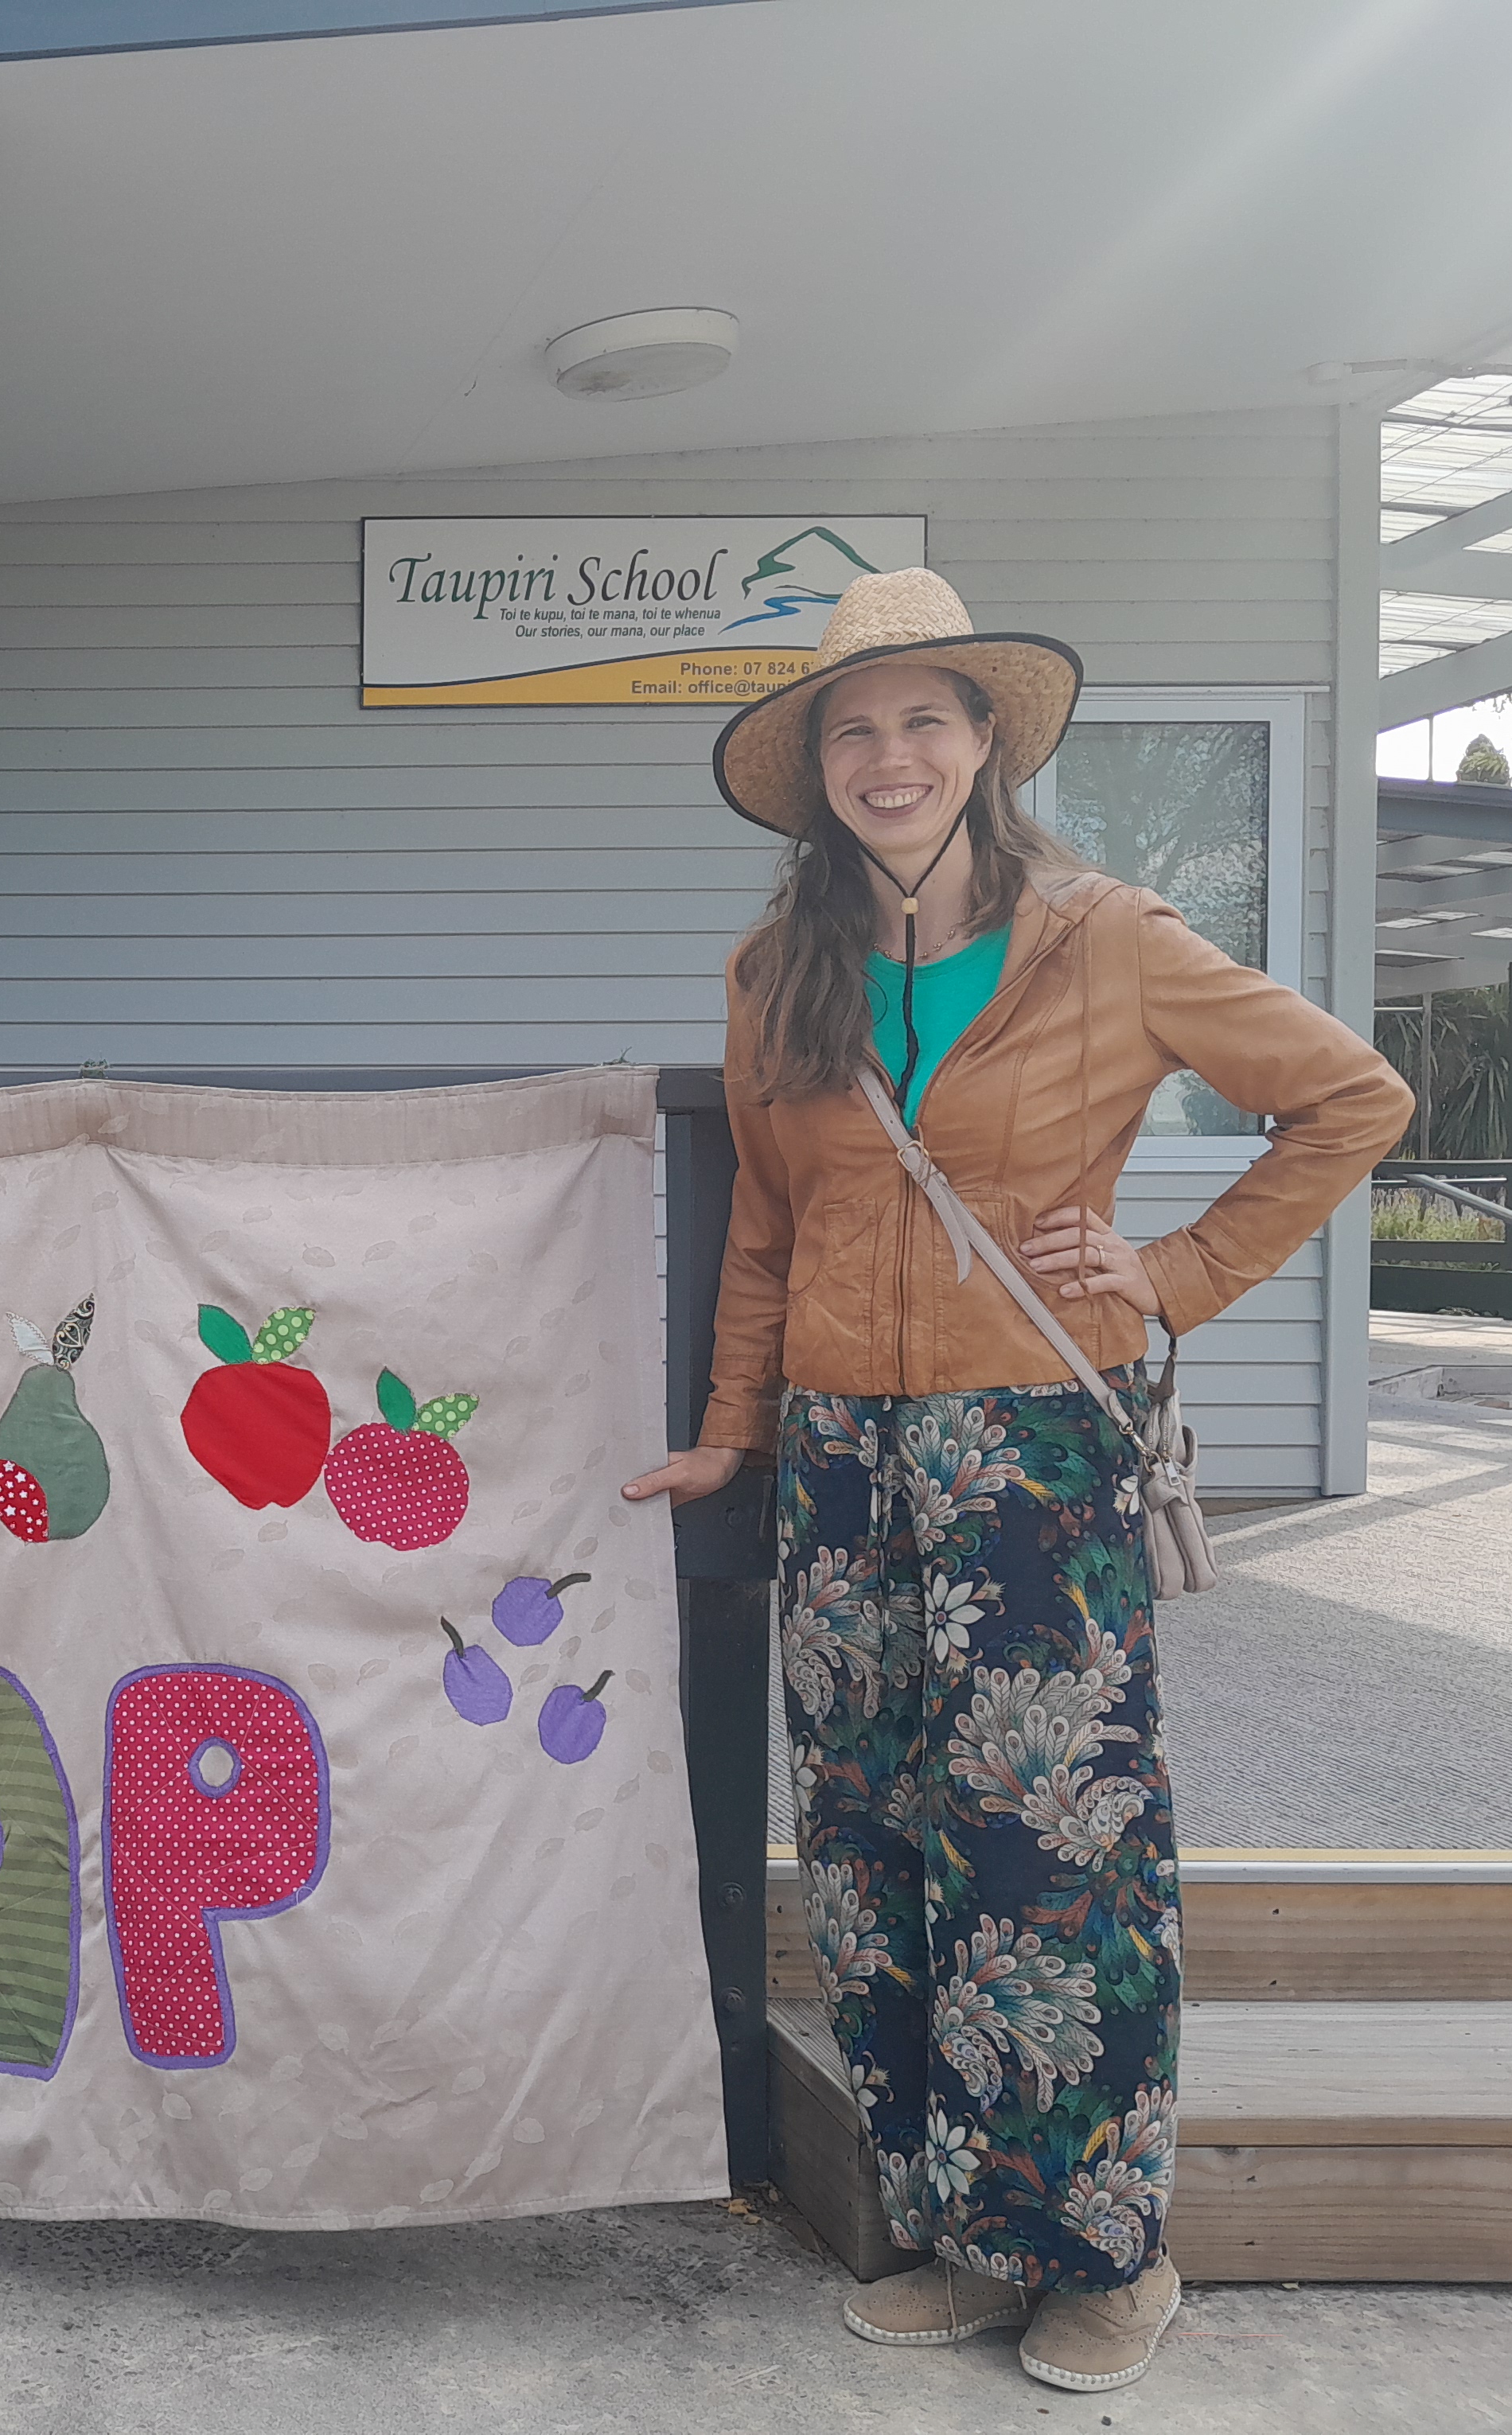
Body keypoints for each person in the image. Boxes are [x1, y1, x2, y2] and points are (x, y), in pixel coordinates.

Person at [622, 568, 1410, 2394]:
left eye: (925, 721)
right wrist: (739, 1427)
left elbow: (1351, 1100)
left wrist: (1179, 1276)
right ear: (818, 769)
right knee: (878, 1849)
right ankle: (976, 2237)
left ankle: (1113, 2256)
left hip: (1029, 1460)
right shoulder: (776, 972)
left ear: (986, 746)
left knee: (1057, 1858)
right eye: (854, 729)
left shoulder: (1106, 937)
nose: (890, 758)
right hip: (840, 1456)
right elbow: (763, 1223)